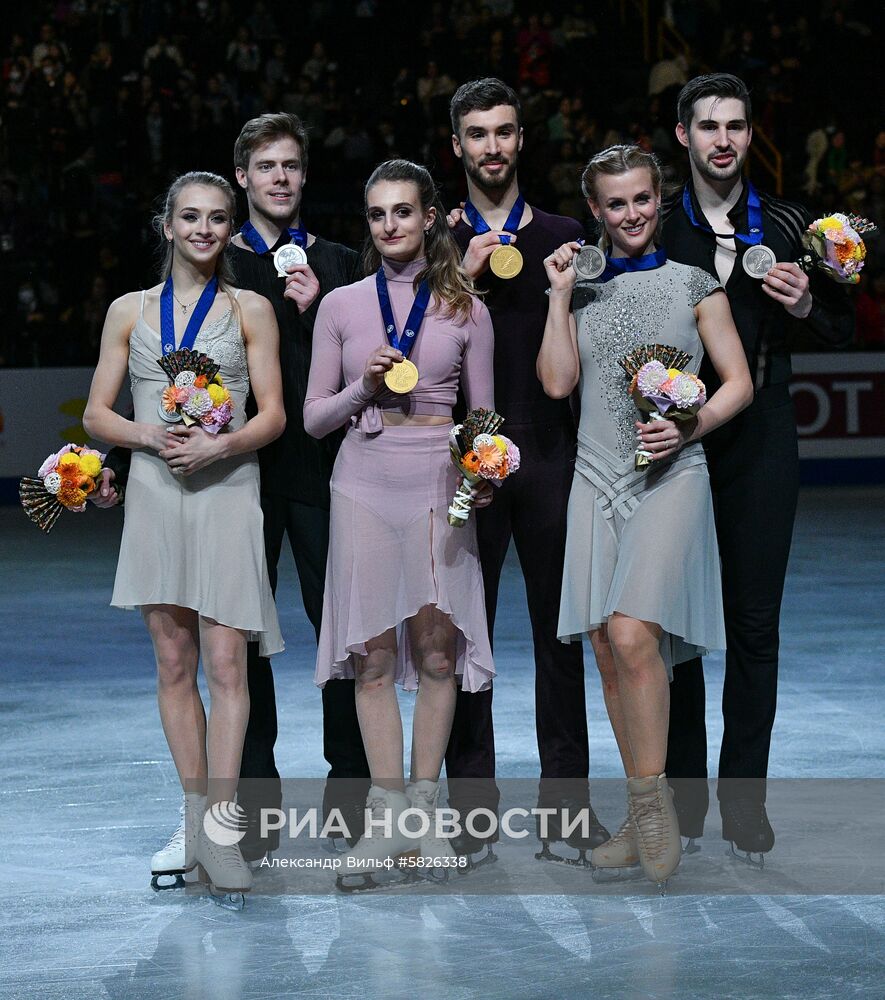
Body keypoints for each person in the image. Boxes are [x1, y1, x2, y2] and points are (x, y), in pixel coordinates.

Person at [99, 112, 371, 861]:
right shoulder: (216, 267)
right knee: (231, 652)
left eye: (292, 165)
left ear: (305, 175)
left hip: (312, 470)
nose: (279, 178)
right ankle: (242, 817)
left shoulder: (343, 262)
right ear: (243, 176)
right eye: (265, 166)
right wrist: (130, 462)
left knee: (338, 638)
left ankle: (349, 798)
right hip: (225, 478)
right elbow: (150, 389)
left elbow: (354, 375)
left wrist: (317, 308)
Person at [538, 144, 753, 889]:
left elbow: (738, 384)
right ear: (593, 210)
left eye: (640, 199)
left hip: (671, 475)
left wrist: (690, 427)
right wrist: (558, 296)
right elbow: (558, 381)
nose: (629, 214)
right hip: (594, 476)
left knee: (633, 633)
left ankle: (652, 809)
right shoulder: (581, 289)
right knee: (604, 646)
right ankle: (638, 809)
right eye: (613, 203)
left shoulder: (694, 284)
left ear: (657, 201)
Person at [661, 74, 853, 862]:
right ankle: (679, 803)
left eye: (735, 125)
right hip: (677, 432)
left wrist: (807, 304)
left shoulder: (789, 221)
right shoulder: (653, 219)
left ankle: (743, 804)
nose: (721, 139)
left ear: (748, 135)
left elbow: (842, 329)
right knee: (676, 628)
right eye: (707, 125)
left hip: (764, 432)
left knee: (751, 626)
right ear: (682, 135)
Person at [83, 171, 286, 904]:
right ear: (166, 225)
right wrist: (148, 436)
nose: (203, 229)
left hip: (227, 492)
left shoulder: (251, 308)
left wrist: (218, 448)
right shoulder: (128, 313)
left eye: (218, 219)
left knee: (227, 665)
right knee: (175, 664)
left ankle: (223, 831)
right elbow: (96, 416)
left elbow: (271, 416)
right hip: (156, 493)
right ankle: (194, 820)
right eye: (190, 217)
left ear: (231, 230)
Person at [303, 159, 495, 888]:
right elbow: (316, 418)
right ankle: (386, 824)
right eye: (378, 213)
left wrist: (483, 476)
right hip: (362, 483)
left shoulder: (465, 308)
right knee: (374, 659)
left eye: (403, 212)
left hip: (438, 487)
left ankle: (425, 812)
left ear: (428, 217)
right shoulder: (340, 306)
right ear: (369, 222)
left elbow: (483, 421)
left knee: (439, 654)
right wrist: (364, 387)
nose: (390, 225)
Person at [445, 77, 607, 865]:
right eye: (477, 134)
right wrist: (458, 274)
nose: (492, 146)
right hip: (461, 462)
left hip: (546, 453)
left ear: (520, 140)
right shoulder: (435, 242)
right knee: (462, 638)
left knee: (558, 639)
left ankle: (565, 813)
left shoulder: (565, 233)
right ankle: (471, 812)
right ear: (457, 147)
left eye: (504, 131)